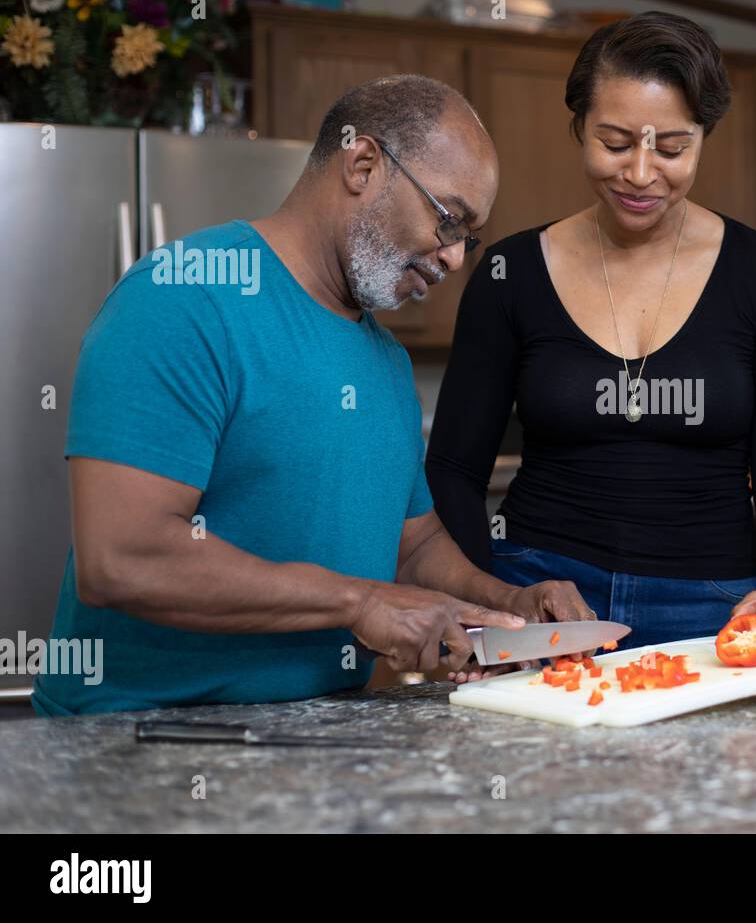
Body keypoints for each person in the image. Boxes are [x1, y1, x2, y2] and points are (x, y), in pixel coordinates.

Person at [34, 75, 591, 716]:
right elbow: (121, 557)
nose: (455, 258)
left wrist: (505, 606)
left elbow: (413, 545)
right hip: (133, 745)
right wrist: (360, 601)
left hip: (314, 736)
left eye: (471, 237)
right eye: (448, 220)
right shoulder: (183, 297)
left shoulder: (385, 361)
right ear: (362, 163)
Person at [426, 12, 756, 684]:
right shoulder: (511, 274)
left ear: (704, 137)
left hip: (712, 609)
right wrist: (482, 607)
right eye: (614, 143)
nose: (641, 174)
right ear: (579, 128)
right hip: (542, 600)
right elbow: (453, 470)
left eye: (672, 149)